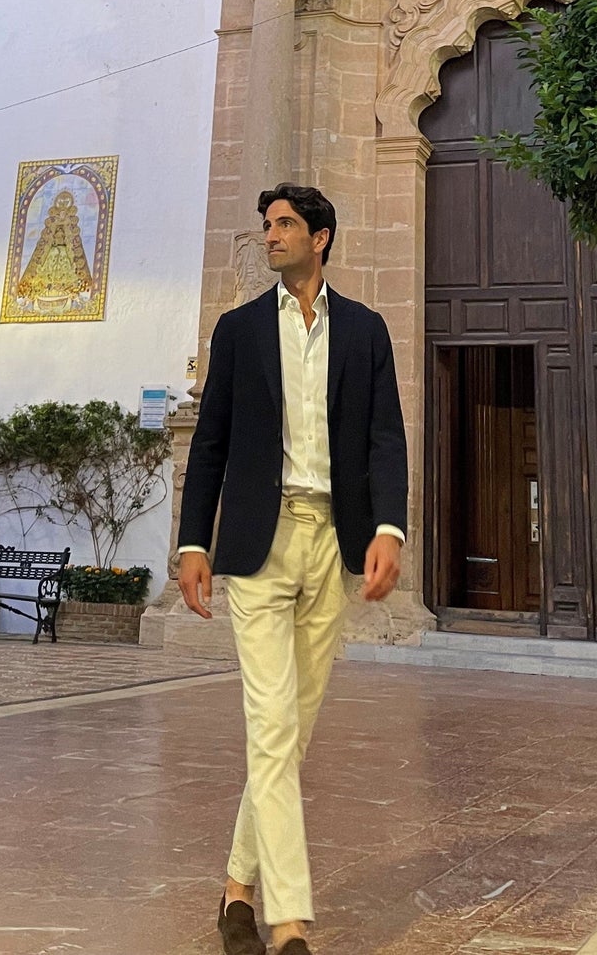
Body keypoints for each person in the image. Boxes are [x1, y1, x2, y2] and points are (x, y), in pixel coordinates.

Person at [178, 183, 409, 955]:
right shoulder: (238, 331)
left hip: (331, 543)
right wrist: (191, 542)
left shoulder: (366, 331)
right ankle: (288, 922)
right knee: (273, 725)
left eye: (283, 224)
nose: (269, 235)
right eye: (266, 224)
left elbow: (384, 437)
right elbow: (208, 441)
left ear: (322, 238)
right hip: (257, 545)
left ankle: (237, 887)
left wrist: (387, 527)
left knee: (290, 731)